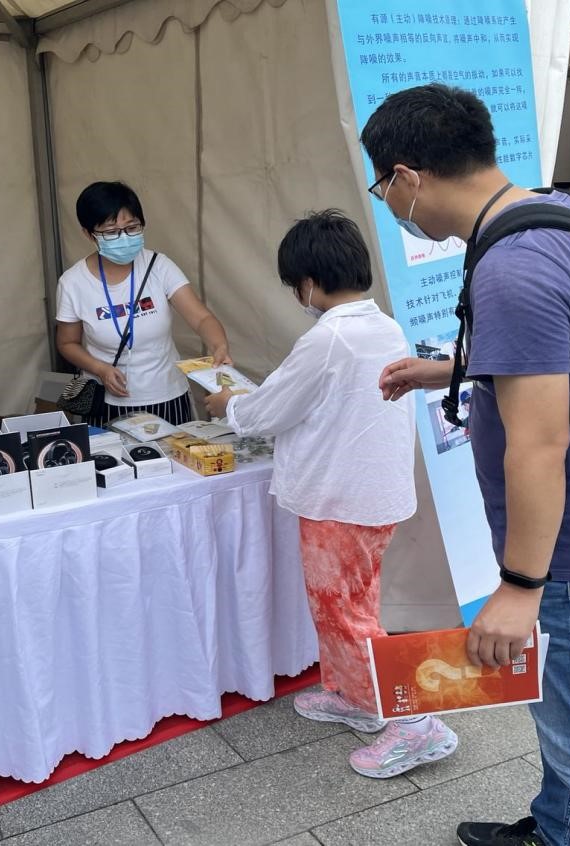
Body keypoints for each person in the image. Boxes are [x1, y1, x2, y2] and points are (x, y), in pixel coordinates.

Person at [367, 85, 570, 845]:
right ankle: (558, 831)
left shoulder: (513, 265)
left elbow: (541, 443)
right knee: (567, 720)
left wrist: (520, 587)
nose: (389, 203)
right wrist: (451, 369)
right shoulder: (560, 216)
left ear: (407, 177)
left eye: (382, 187)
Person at [205, 210, 457, 778]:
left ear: (309, 283)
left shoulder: (329, 337)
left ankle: (414, 722)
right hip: (371, 495)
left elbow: (271, 409)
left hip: (340, 498)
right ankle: (357, 695)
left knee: (344, 611)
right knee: (353, 604)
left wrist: (229, 406)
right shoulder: (383, 325)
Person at [56, 181, 231, 426]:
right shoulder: (73, 282)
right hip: (108, 402)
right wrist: (100, 368)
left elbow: (201, 318)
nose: (124, 237)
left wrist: (219, 345)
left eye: (132, 227)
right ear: (88, 233)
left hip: (167, 396)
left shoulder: (159, 266)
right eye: (111, 232)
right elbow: (67, 343)